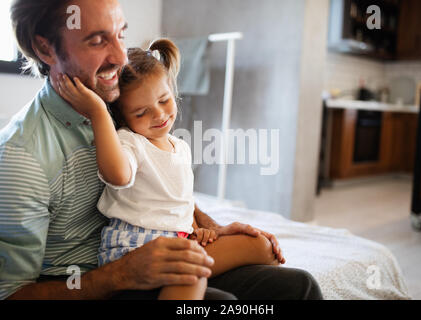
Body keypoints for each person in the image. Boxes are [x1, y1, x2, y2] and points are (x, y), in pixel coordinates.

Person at [0, 0, 323, 300]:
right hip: (94, 284)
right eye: (97, 41)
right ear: (45, 47)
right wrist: (119, 275)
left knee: (298, 286)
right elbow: (10, 293)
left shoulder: (118, 99)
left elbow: (156, 183)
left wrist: (208, 226)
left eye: (120, 34)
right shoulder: (21, 157)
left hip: (160, 255)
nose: (121, 57)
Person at [55, 39, 285, 300]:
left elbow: (179, 201)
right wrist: (98, 114)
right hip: (136, 250)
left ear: (172, 92)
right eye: (141, 112)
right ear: (122, 119)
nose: (158, 115)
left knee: (264, 248)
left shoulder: (180, 147)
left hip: (179, 240)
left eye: (164, 100)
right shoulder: (129, 141)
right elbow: (117, 176)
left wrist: (204, 228)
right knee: (193, 270)